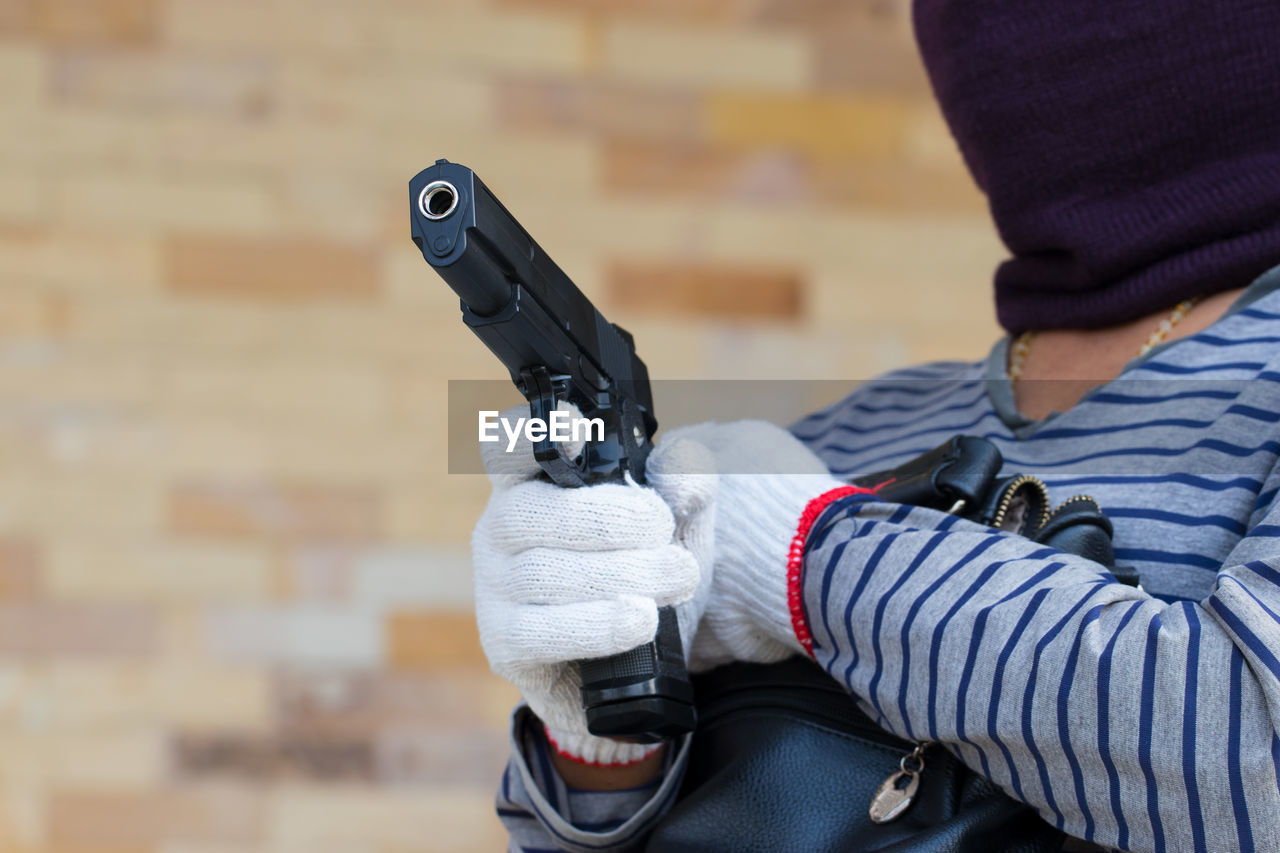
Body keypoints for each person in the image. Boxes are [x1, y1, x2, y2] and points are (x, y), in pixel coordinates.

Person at [473, 1, 1280, 850]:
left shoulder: (792, 492)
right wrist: (604, 727)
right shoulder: (856, 428)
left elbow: (1256, 760)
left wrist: (809, 552)